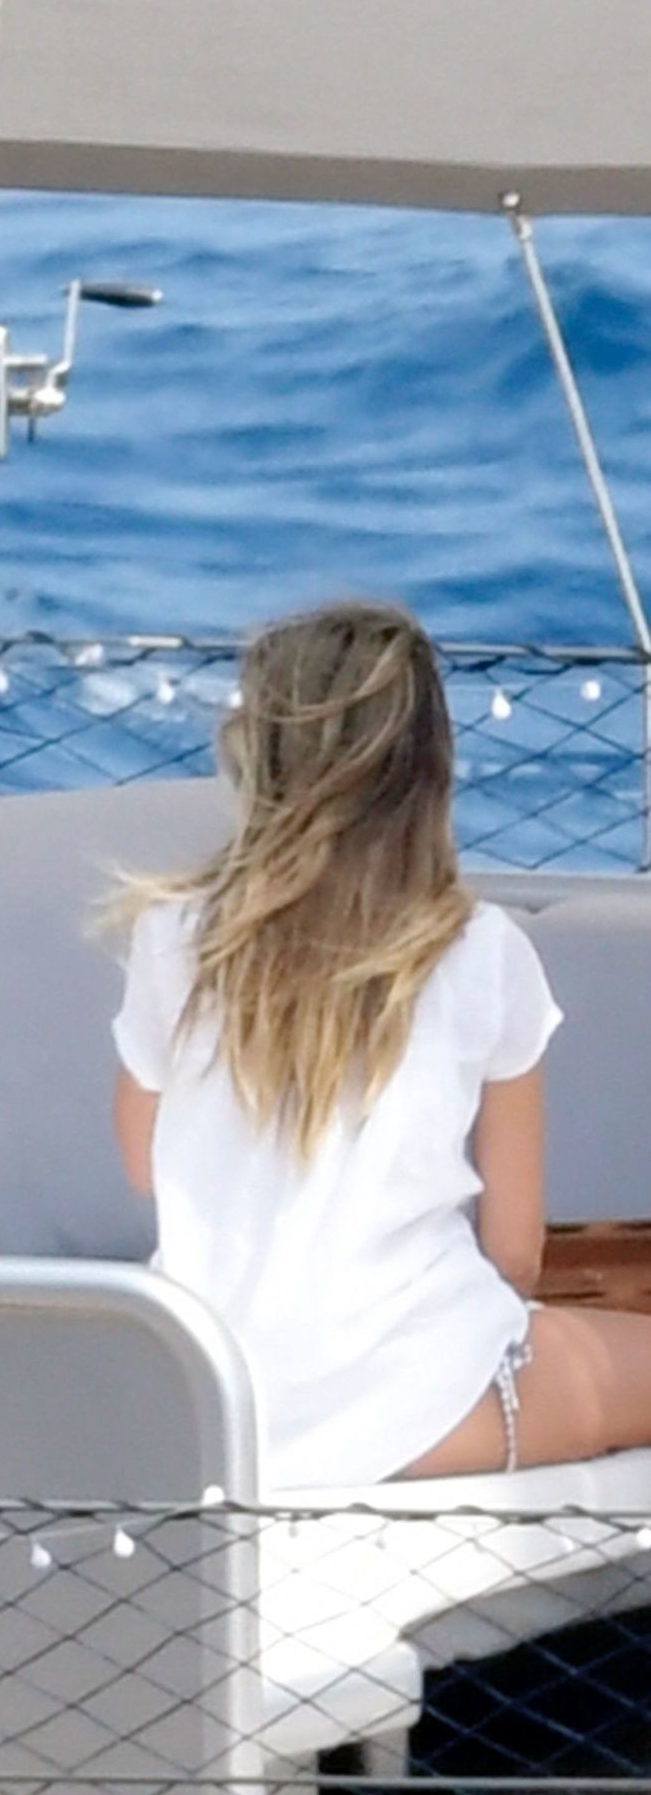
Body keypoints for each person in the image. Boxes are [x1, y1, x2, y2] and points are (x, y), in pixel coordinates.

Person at [111, 601, 651, 1486]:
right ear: (431, 765)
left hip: (211, 1400)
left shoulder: (172, 938)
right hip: (423, 1404)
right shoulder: (482, 954)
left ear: (256, 755)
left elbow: (145, 1163)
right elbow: (515, 1251)